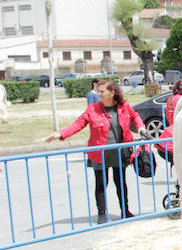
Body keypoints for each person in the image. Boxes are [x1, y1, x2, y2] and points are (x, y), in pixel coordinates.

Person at [45, 80, 149, 224]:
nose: (98, 94)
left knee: (120, 182)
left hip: (120, 151)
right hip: (99, 153)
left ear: (112, 92)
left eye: (102, 91)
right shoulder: (92, 109)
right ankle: (102, 213)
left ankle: (125, 211)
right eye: (97, 91)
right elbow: (78, 124)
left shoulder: (123, 106)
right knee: (101, 183)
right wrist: (60, 134)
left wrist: (141, 128)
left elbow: (135, 117)